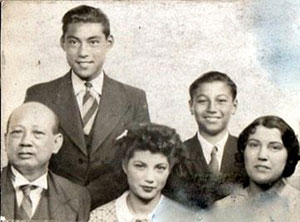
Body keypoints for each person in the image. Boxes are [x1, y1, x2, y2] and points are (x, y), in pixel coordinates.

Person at [24, 5, 150, 209]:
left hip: (115, 207)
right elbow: (29, 159)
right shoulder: (40, 95)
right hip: (55, 206)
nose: (83, 52)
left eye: (93, 42)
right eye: (74, 42)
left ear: (109, 43)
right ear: (63, 43)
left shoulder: (134, 98)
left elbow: (143, 162)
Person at [89, 123, 202, 222]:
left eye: (160, 168)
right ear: (125, 166)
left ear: (170, 169)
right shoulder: (99, 218)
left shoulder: (184, 219)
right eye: (140, 166)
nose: (149, 178)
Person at [165, 71, 243, 208]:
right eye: (202, 101)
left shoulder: (247, 153)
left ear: (234, 106)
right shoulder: (174, 156)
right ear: (191, 106)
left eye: (221, 101)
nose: (212, 109)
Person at [1, 102, 91, 221]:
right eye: (17, 132)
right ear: (5, 140)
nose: (26, 141)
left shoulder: (77, 196)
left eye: (37, 133)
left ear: (56, 143)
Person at [212, 115, 300, 222]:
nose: (262, 155)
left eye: (274, 147)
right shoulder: (221, 210)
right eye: (254, 145)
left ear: (289, 156)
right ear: (243, 152)